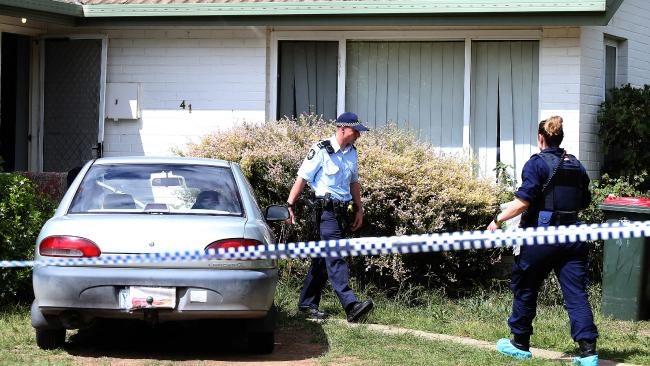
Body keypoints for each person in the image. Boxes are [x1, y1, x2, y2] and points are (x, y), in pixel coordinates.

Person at [487, 116, 598, 366]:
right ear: (559, 138)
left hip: (541, 238)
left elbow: (523, 201)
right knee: (576, 293)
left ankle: (520, 344)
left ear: (541, 138)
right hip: (572, 237)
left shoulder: (536, 164)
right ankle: (588, 352)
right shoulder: (577, 165)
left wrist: (498, 220)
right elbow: (584, 202)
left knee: (525, 286)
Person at [286, 112, 374, 323]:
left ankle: (307, 304)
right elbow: (302, 178)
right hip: (325, 212)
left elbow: (354, 182)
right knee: (335, 256)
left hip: (343, 212)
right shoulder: (321, 149)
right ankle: (351, 305)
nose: (358, 136)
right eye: (356, 131)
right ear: (342, 128)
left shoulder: (352, 152)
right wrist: (289, 205)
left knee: (322, 259)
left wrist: (359, 208)